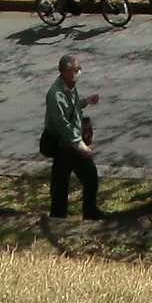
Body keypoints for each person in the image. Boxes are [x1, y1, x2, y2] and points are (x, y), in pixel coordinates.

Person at [40, 52, 100, 219]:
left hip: (72, 142)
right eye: (76, 69)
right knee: (64, 181)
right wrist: (80, 145)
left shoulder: (70, 86)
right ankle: (59, 215)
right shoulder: (55, 95)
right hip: (64, 145)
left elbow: (72, 108)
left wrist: (85, 102)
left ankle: (89, 211)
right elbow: (62, 125)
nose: (79, 71)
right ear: (66, 71)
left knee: (87, 178)